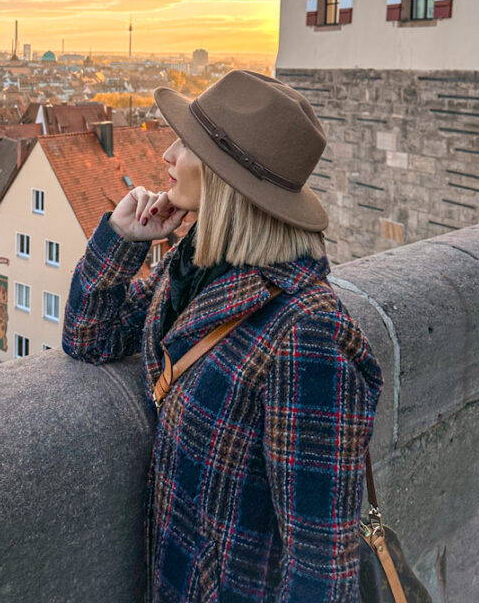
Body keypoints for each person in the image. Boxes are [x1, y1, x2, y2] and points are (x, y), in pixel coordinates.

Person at [63, 70, 382, 602]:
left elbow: (322, 576)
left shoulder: (307, 338)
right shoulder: (196, 270)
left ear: (222, 176)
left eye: (185, 144)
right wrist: (122, 240)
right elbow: (90, 339)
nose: (165, 154)